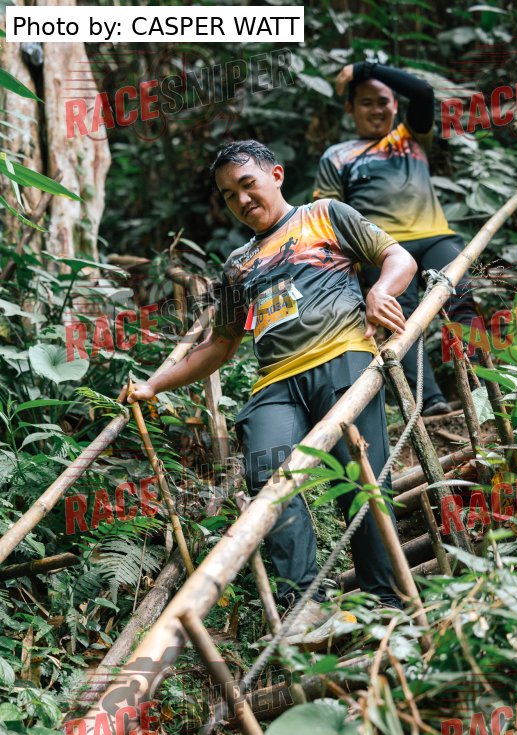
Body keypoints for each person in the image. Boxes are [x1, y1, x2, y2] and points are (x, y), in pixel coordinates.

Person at [128, 140, 417, 632]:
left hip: (343, 357)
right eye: (228, 195)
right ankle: (303, 604)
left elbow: (399, 258)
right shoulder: (238, 264)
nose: (241, 200)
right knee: (267, 475)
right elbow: (220, 345)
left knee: (360, 475)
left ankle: (385, 600)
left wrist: (379, 291)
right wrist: (153, 385)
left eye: (248, 185)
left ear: (276, 175)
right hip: (275, 382)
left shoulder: (326, 214)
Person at [313, 61, 480, 416]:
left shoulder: (411, 135)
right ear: (350, 108)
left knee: (461, 302)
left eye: (383, 101)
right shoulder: (337, 155)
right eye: (366, 102)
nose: (376, 110)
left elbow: (422, 91)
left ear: (395, 105)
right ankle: (430, 401)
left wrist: (364, 68)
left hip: (434, 237)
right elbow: (327, 215)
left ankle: (482, 389)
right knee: (397, 319)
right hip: (382, 250)